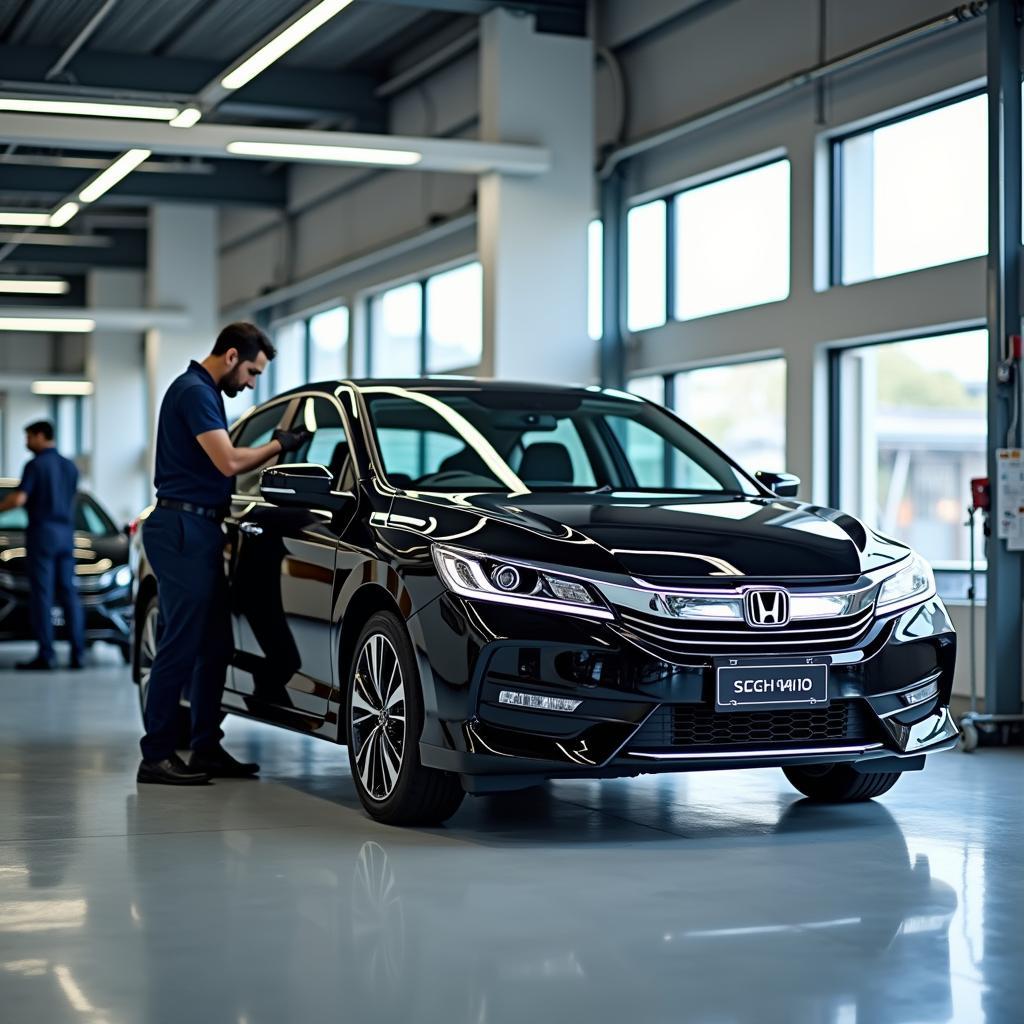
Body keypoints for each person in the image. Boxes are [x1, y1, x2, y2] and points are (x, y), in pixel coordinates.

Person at [138, 323, 310, 786]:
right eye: (252, 372)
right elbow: (229, 462)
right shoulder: (194, 391)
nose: (252, 383)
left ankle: (206, 747)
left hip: (202, 526)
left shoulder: (204, 392)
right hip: (181, 528)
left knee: (215, 645)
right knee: (181, 642)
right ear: (232, 356)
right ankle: (155, 755)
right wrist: (280, 444)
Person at [0, 421, 86, 671]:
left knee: (43, 595)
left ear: (40, 436)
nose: (26, 442)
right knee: (69, 593)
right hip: (66, 534)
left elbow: (19, 498)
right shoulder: (70, 467)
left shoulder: (35, 465)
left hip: (42, 534)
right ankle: (77, 654)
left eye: (28, 437)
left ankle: (46, 655)